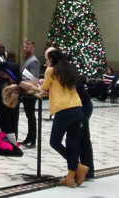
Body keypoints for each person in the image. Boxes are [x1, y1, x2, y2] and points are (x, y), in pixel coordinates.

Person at [41, 47, 87, 188]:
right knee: (72, 141)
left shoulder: (51, 71)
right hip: (77, 108)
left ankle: (78, 167)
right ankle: (71, 176)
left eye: (47, 60)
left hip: (63, 110)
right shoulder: (68, 70)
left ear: (50, 59)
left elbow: (44, 87)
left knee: (54, 142)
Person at [17, 40, 41, 147]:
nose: (25, 49)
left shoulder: (34, 61)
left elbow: (35, 80)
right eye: (24, 47)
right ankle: (28, 138)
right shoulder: (27, 60)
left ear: (33, 48)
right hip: (25, 92)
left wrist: (22, 83)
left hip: (30, 92)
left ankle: (33, 139)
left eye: (28, 47)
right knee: (29, 116)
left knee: (31, 116)